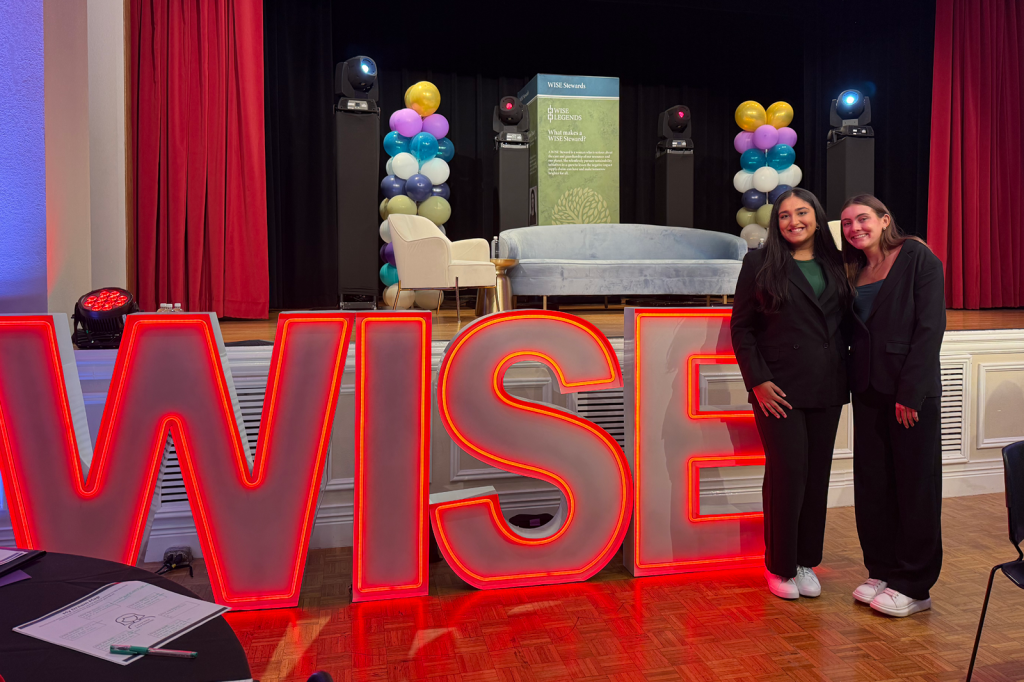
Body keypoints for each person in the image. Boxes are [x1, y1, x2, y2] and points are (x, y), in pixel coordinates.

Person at [732, 188, 854, 600]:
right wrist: (757, 381)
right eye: (784, 215)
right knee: (788, 474)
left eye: (802, 213)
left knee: (816, 476)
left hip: (827, 384)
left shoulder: (836, 262)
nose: (793, 221)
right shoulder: (757, 263)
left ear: (817, 218)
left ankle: (805, 561)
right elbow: (742, 329)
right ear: (775, 223)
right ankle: (779, 566)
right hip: (777, 389)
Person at [840, 194, 945, 617]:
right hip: (867, 390)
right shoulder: (853, 269)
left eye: (862, 219)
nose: (854, 228)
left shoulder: (918, 256)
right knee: (874, 484)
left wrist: (911, 391)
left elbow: (930, 327)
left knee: (915, 487)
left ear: (885, 220)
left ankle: (915, 584)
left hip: (908, 394)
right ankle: (881, 569)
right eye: (846, 223)